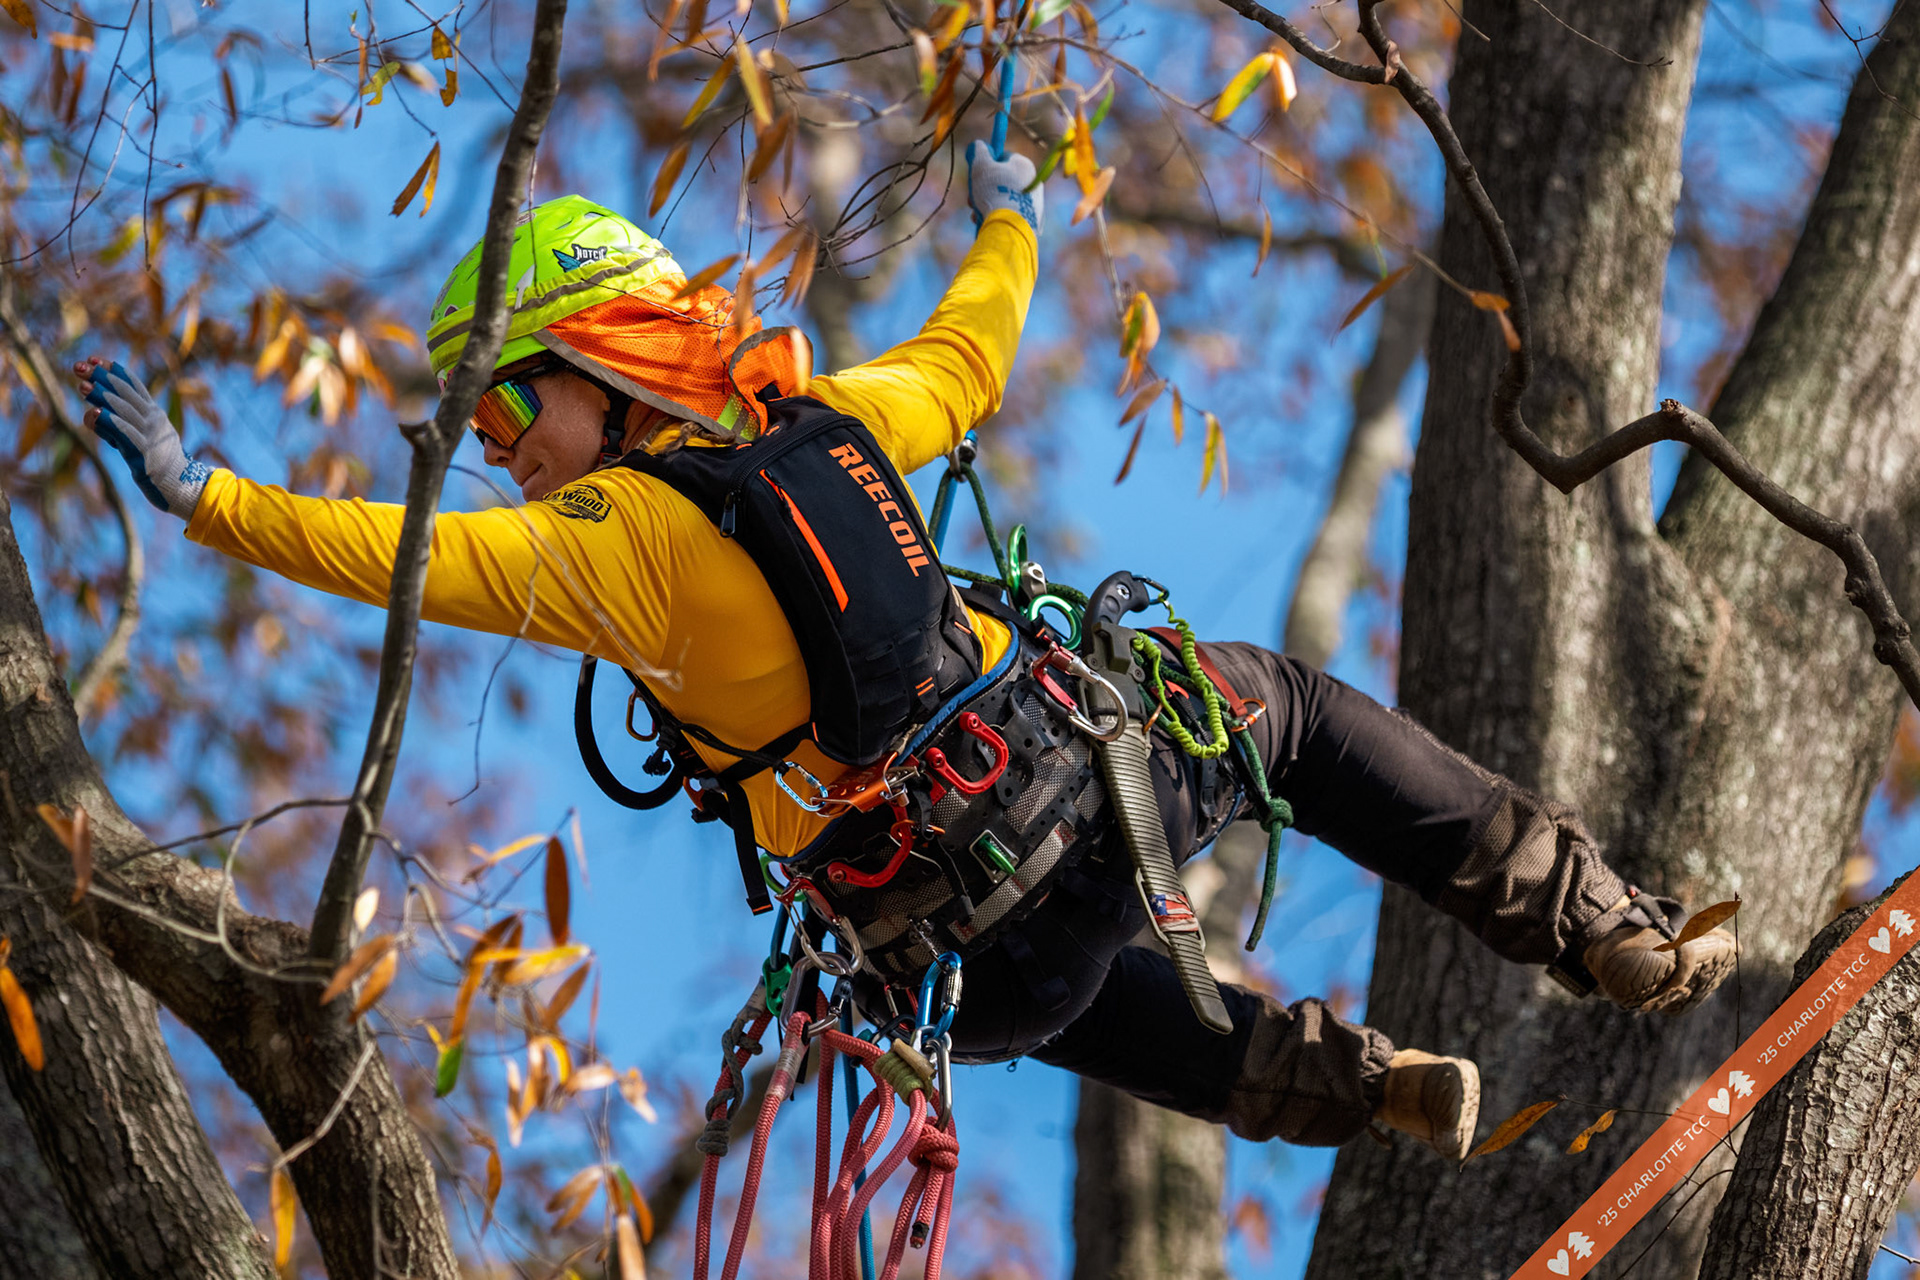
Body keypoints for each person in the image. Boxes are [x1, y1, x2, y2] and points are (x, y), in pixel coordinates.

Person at [72, 140, 1734, 1163]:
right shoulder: (841, 423)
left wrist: (203, 495)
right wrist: (1013, 221)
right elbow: (969, 348)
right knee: (1277, 713)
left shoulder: (618, 546)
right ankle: (1607, 933)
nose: (495, 444)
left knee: (1062, 994)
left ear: (602, 361)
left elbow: (400, 554)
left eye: (507, 401)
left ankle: (1352, 1092)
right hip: (1078, 793)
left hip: (959, 964)